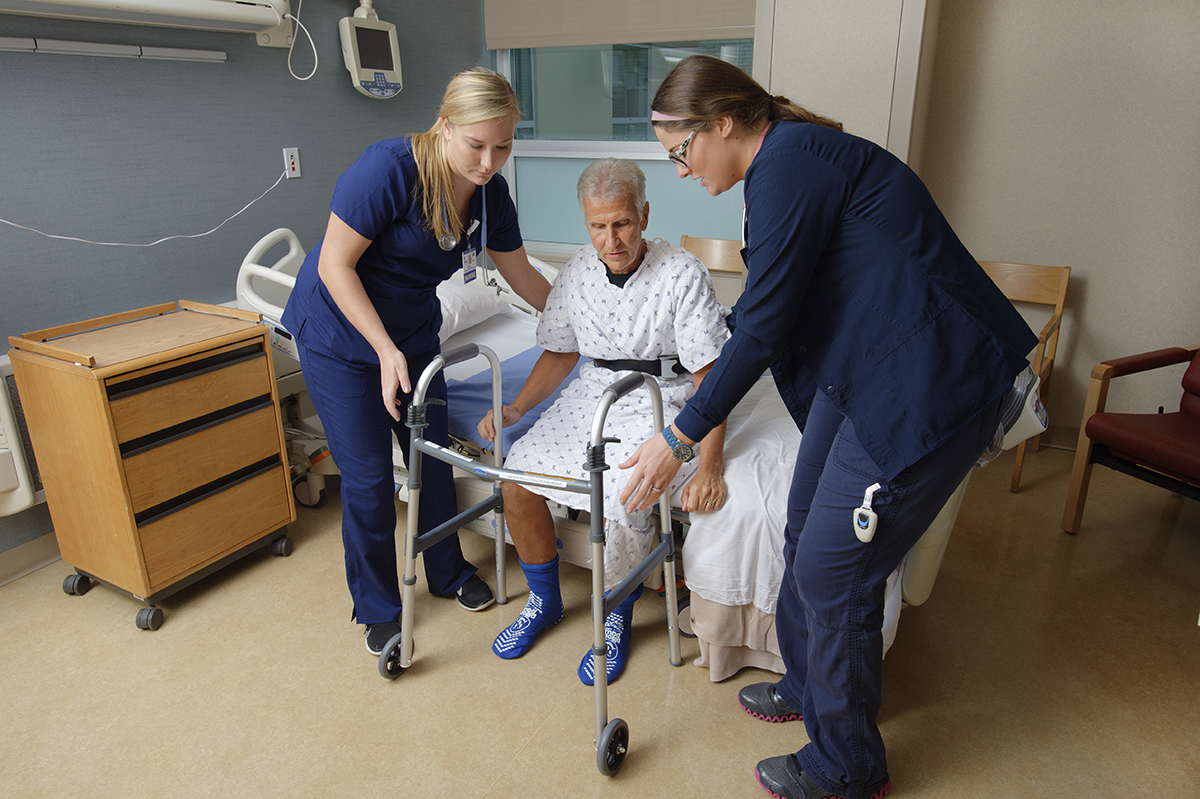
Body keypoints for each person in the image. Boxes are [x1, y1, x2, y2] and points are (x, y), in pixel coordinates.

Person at [619, 55, 1038, 799]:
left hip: (922, 380)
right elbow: (767, 298)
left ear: (721, 124)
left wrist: (681, 434)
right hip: (869, 368)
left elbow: (770, 321)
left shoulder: (791, 164)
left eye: (681, 152)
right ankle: (811, 686)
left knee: (832, 569)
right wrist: (706, 344)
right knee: (800, 524)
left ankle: (848, 766)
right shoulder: (781, 166)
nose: (680, 170)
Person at [280, 67, 551, 660]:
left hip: (412, 333)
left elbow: (521, 273)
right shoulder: (388, 170)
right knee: (372, 479)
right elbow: (334, 265)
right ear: (446, 125)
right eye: (476, 144)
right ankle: (377, 605)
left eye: (503, 146)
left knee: (433, 456)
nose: (488, 161)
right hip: (341, 335)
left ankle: (448, 572)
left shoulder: (489, 194)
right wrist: (382, 351)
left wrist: (583, 319)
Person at [476, 158, 730, 685]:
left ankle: (616, 614)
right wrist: (518, 408)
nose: (610, 239)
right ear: (585, 221)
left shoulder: (682, 272)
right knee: (517, 478)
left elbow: (713, 378)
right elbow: (560, 353)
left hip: (663, 396)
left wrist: (709, 465)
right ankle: (544, 601)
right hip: (593, 393)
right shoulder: (576, 273)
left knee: (621, 496)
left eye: (622, 223)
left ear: (644, 214)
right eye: (597, 226)